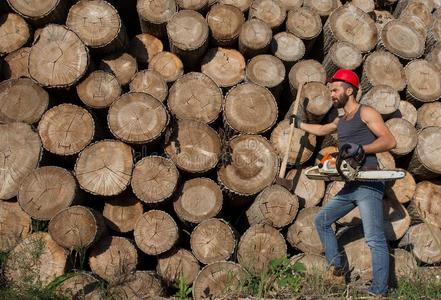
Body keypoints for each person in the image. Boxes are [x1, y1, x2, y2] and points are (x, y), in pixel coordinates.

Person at [290, 69, 397, 297]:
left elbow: (390, 140)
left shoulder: (365, 112)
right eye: (331, 90)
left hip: (368, 182)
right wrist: (299, 124)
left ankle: (379, 292)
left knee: (374, 238)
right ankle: (337, 267)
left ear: (350, 90)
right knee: (322, 220)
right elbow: (321, 129)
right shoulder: (341, 120)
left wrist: (363, 149)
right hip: (351, 184)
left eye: (335, 89)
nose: (332, 93)